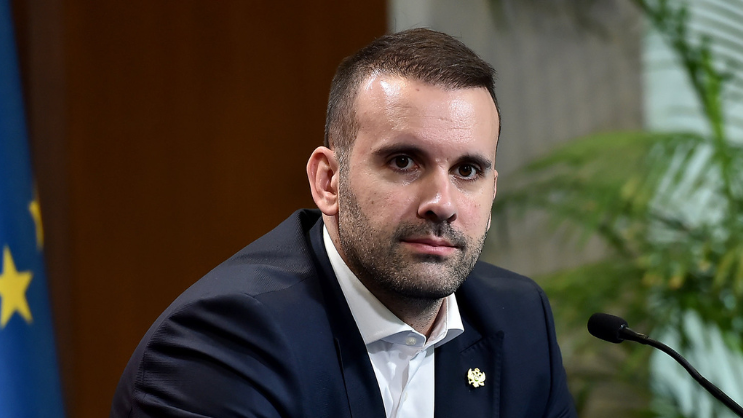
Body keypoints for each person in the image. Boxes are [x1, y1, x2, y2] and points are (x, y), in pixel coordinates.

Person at [110, 28, 576, 418]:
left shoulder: (518, 318)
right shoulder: (221, 344)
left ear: (492, 190)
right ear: (328, 181)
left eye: (468, 170)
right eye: (403, 161)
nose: (441, 203)